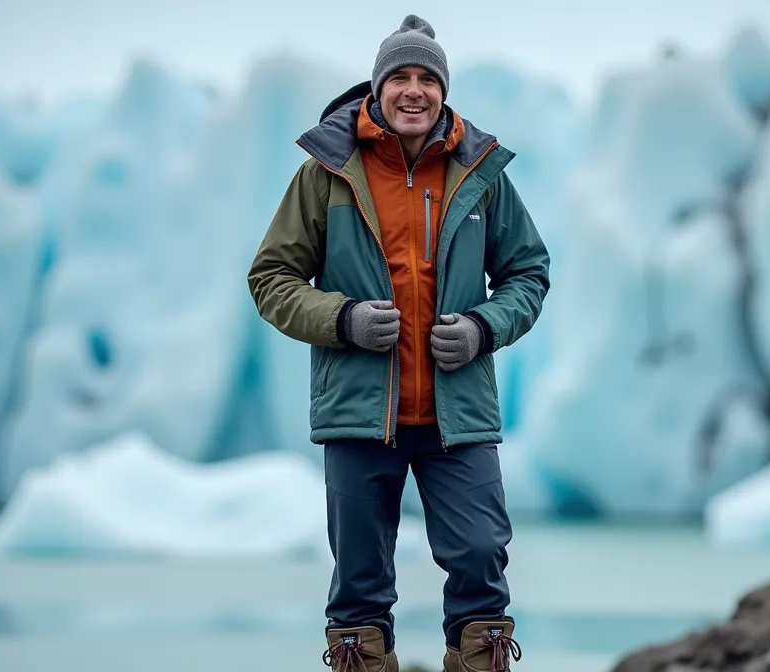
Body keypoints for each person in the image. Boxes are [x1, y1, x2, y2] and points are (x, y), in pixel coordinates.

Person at [248, 13, 550, 672]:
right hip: (359, 412)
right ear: (378, 87)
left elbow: (528, 272)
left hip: (458, 415)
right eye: (401, 78)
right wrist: (343, 319)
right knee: (358, 586)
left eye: (426, 79)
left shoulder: (481, 173)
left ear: (442, 91)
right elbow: (271, 277)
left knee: (480, 559)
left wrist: (482, 328)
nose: (413, 91)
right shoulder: (328, 173)